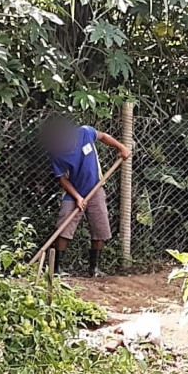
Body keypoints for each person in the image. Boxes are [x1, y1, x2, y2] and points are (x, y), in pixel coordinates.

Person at [42, 117, 131, 277]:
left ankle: (94, 268)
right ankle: (57, 269)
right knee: (64, 228)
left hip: (96, 188)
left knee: (100, 227)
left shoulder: (85, 133)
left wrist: (121, 147)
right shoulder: (57, 155)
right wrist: (77, 197)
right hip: (73, 192)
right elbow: (62, 179)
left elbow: (103, 137)